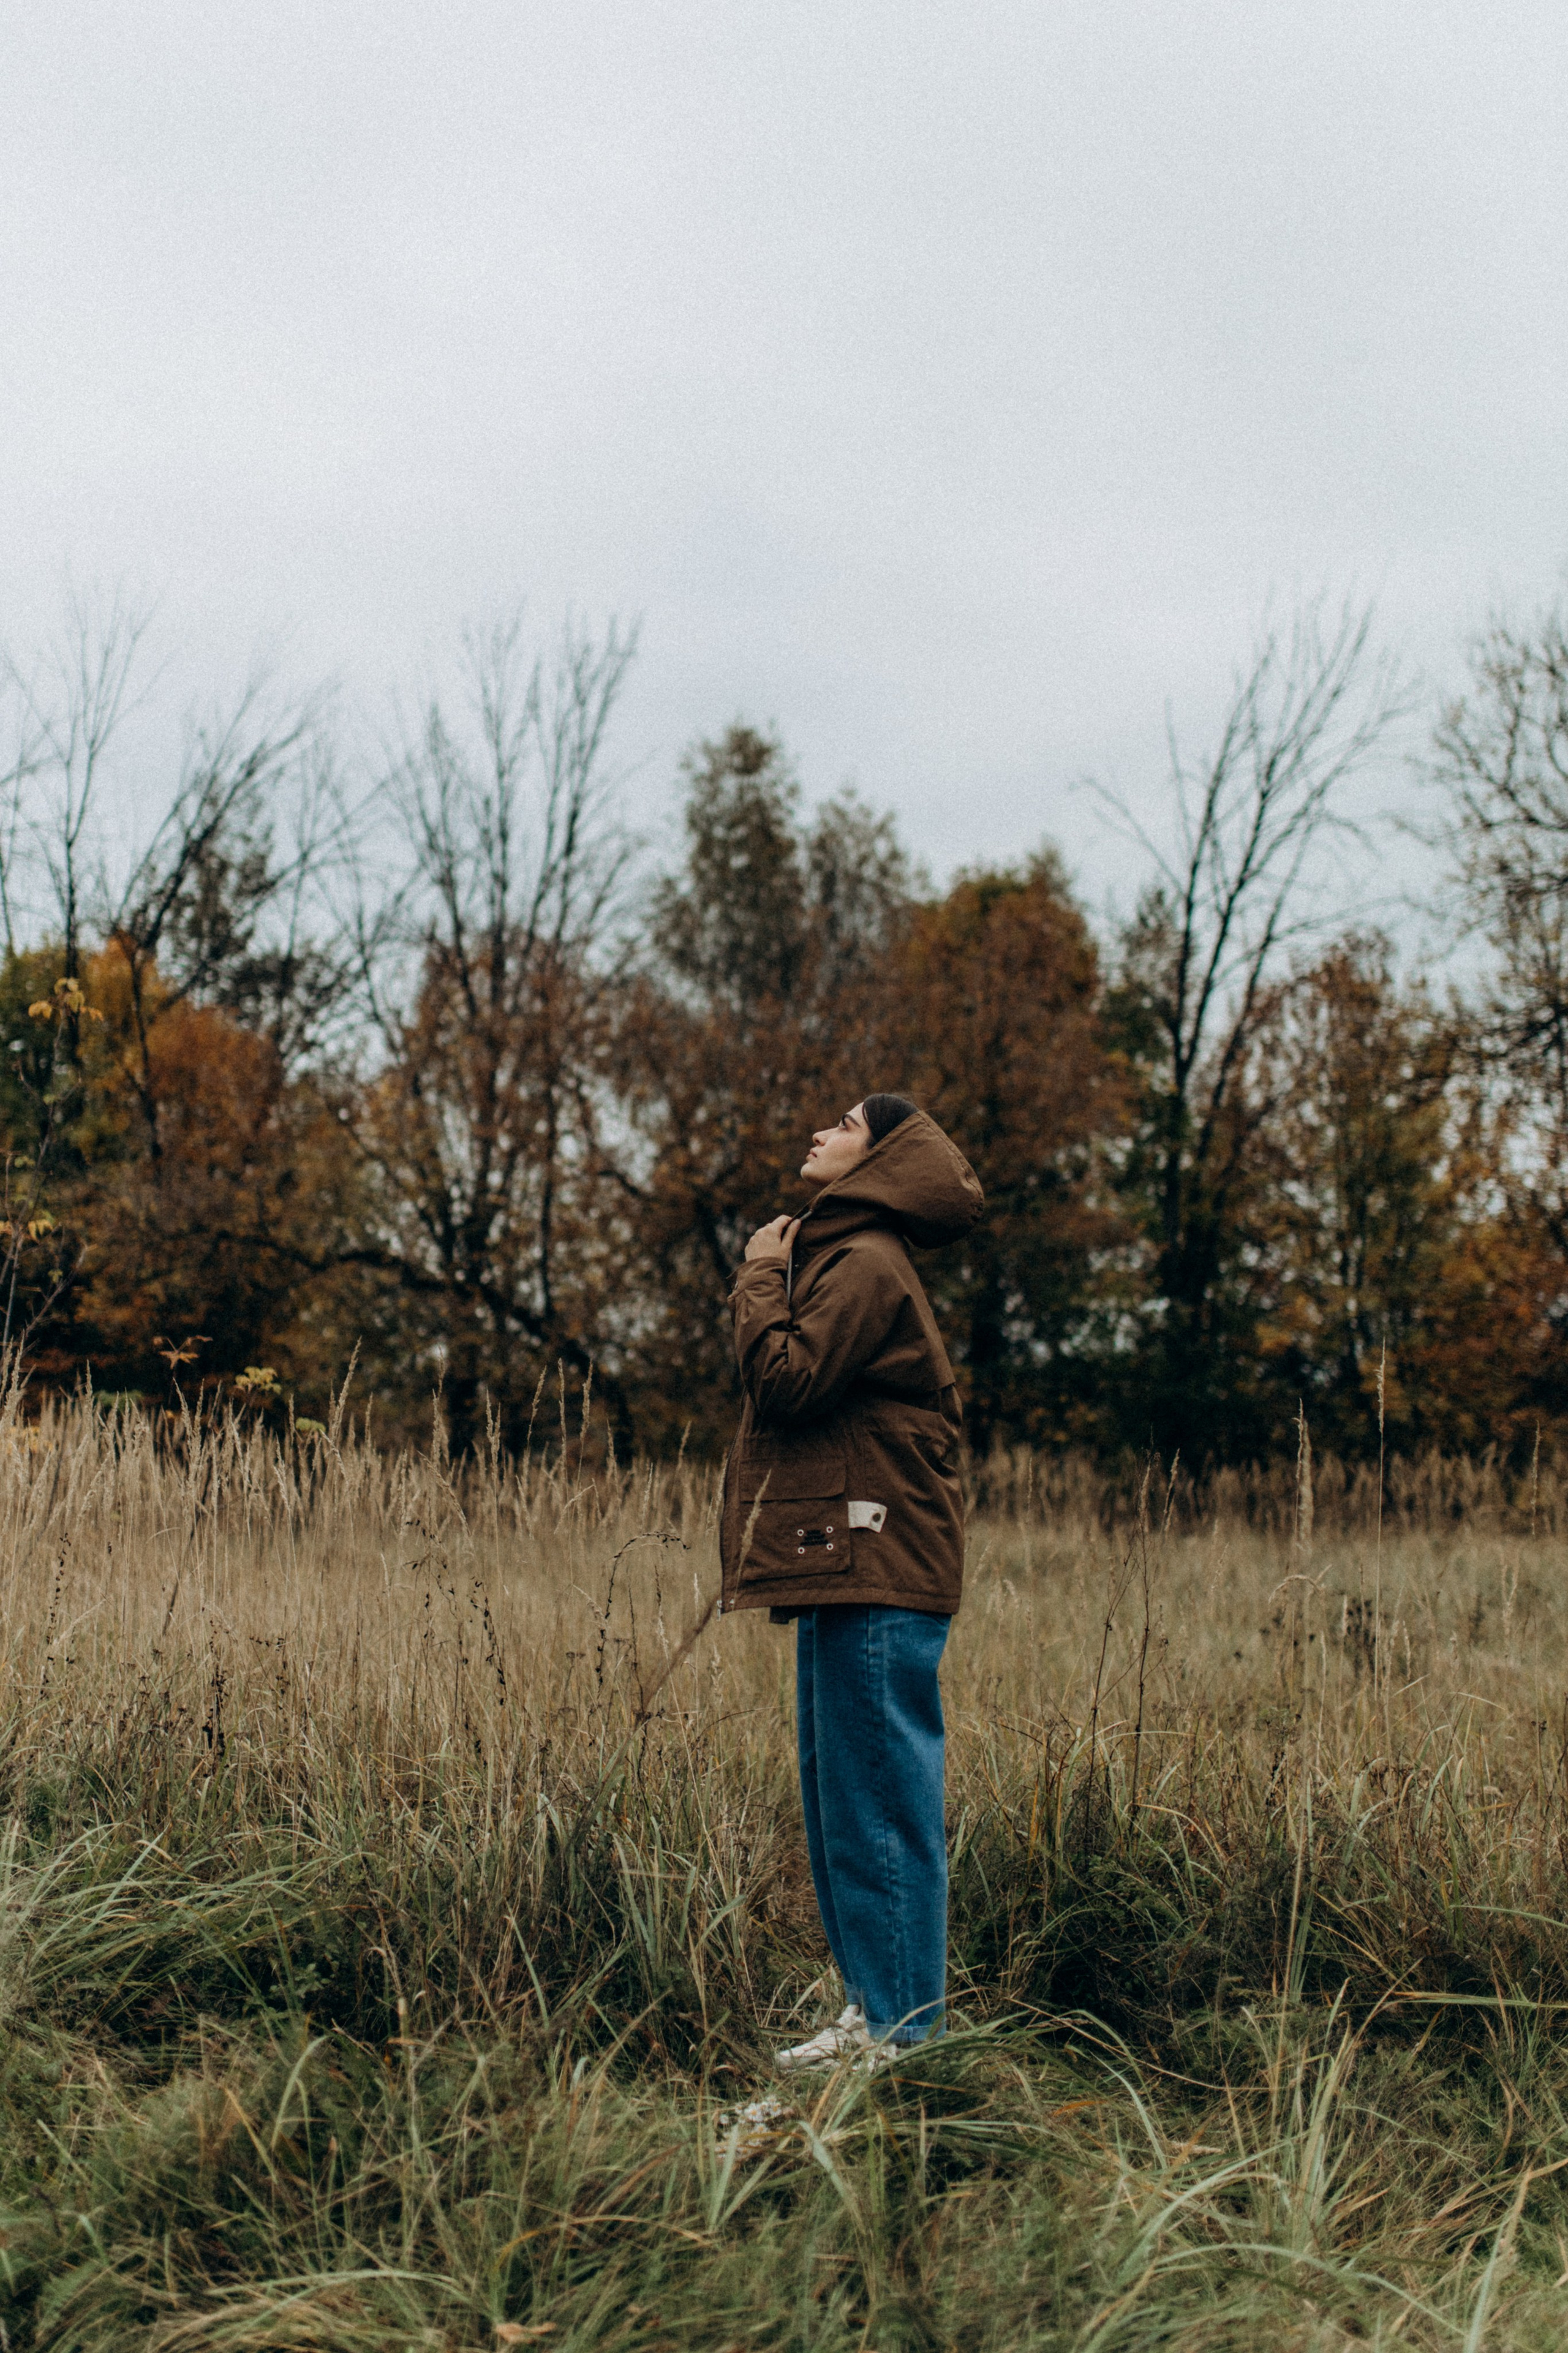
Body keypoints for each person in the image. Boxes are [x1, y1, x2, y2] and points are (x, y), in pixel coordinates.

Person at [720, 1092, 984, 2067]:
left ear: (881, 1157)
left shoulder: (866, 1260)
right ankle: (875, 2010)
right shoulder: (846, 1254)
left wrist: (758, 1273)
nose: (820, 1128)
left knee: (880, 1798)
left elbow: (787, 1379)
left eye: (845, 1123)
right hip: (844, 1556)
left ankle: (906, 2041)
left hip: (878, 1559)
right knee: (841, 1794)